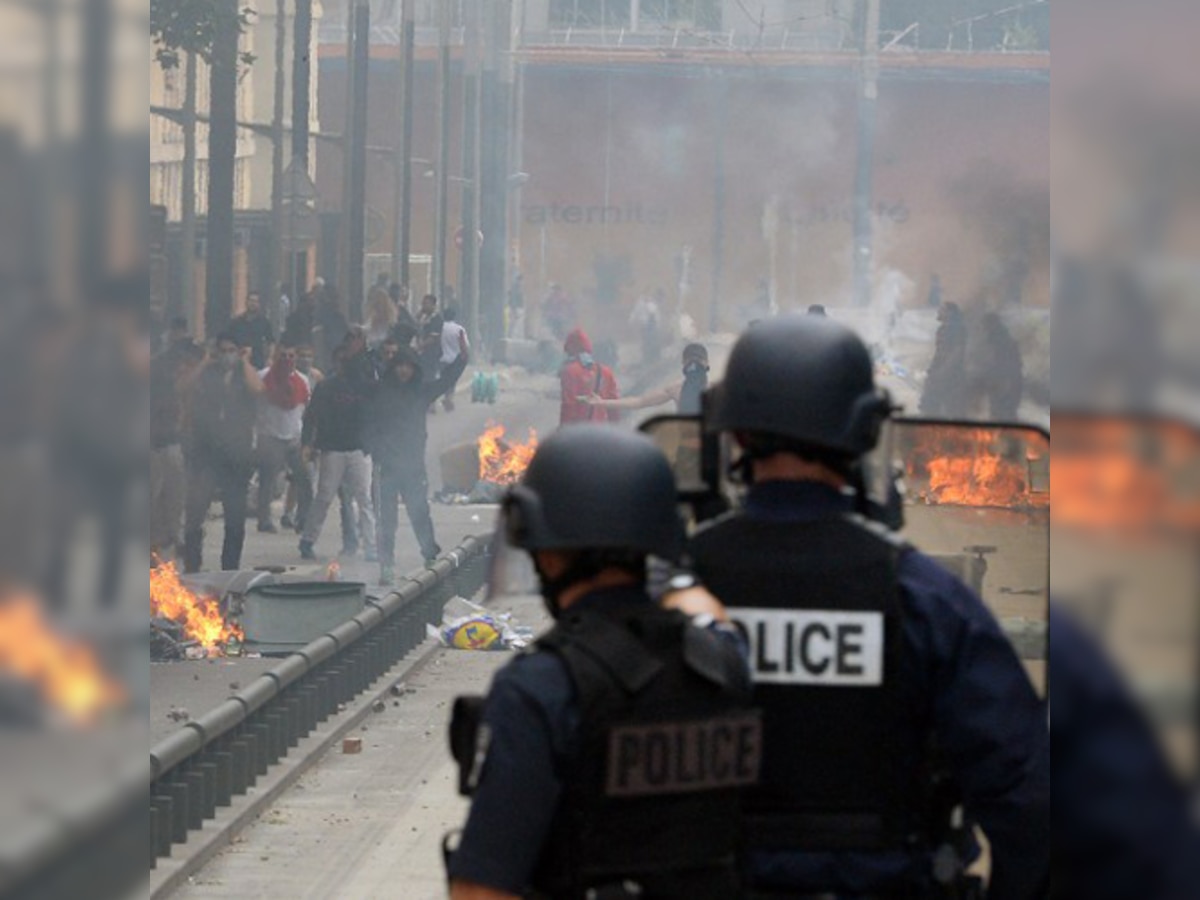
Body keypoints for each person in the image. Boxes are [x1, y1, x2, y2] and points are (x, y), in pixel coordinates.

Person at [684, 315, 1050, 899]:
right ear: (861, 433)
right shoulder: (928, 601)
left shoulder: (670, 588)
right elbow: (1028, 799)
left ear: (738, 435)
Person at [446, 425, 758, 899]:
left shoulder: (540, 687)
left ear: (547, 552)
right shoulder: (723, 660)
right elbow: (704, 610)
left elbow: (482, 888)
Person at [364, 346, 465, 582]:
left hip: (412, 465)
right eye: (399, 365)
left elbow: (445, 381)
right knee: (385, 519)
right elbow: (367, 420)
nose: (403, 371)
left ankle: (430, 555)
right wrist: (375, 448)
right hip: (386, 466)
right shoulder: (380, 391)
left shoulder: (421, 391)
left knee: (419, 512)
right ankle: (386, 564)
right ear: (393, 368)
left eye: (408, 366)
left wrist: (462, 360)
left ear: (414, 369)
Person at [181, 334, 264, 573]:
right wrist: (205, 361)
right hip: (206, 452)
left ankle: (230, 568)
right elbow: (183, 386)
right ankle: (192, 564)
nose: (227, 355)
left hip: (236, 456)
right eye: (223, 351)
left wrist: (245, 361)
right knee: (196, 512)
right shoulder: (208, 373)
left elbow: (258, 388)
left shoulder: (244, 374)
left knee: (235, 517)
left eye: (232, 350)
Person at [299, 347, 376, 562]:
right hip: (334, 448)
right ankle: (307, 540)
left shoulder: (365, 387)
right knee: (327, 496)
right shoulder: (327, 387)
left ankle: (371, 546)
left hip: (356, 448)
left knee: (363, 499)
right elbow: (311, 416)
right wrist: (308, 443)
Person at [150, 337, 204, 561]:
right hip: (160, 446)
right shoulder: (163, 382)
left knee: (176, 500)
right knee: (158, 498)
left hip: (182, 448)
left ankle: (170, 541)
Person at [255, 344, 312, 534]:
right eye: (283, 356)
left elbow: (305, 407)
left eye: (291, 356)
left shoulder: (302, 380)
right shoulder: (263, 377)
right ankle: (264, 520)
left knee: (304, 479)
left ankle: (303, 519)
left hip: (294, 438)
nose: (287, 360)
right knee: (268, 482)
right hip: (270, 436)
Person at [586, 342, 710, 416]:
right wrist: (602, 402)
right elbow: (639, 401)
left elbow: (639, 401)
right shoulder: (718, 388)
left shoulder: (676, 388)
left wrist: (602, 402)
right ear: (706, 364)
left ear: (683, 364)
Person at [559, 328, 619, 426]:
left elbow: (568, 406)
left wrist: (563, 430)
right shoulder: (606, 372)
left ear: (570, 349)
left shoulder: (570, 371)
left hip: (580, 432)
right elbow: (614, 405)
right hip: (601, 432)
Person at [919, 301, 968, 417]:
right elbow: (939, 352)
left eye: (942, 309)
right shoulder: (943, 329)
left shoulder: (956, 329)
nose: (938, 312)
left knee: (952, 408)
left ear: (949, 313)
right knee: (931, 405)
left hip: (952, 375)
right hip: (940, 372)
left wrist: (944, 371)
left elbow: (957, 352)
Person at [228, 291, 275, 369]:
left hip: (258, 362)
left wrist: (270, 358)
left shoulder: (264, 322)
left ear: (259, 304)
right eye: (251, 300)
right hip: (239, 362)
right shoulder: (236, 322)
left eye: (255, 301)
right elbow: (229, 340)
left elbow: (271, 342)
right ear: (246, 302)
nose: (253, 303)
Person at [437, 305, 470, 412]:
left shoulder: (439, 327)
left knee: (443, 379)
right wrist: (465, 357)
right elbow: (464, 345)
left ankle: (438, 400)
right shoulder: (459, 329)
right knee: (452, 381)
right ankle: (449, 398)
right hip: (455, 360)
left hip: (441, 359)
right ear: (454, 316)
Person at [416, 293, 444, 388]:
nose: (423, 306)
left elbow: (434, 337)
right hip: (422, 354)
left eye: (426, 304)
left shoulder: (437, 319)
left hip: (431, 353)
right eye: (423, 304)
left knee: (429, 377)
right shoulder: (423, 318)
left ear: (433, 305)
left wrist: (421, 345)